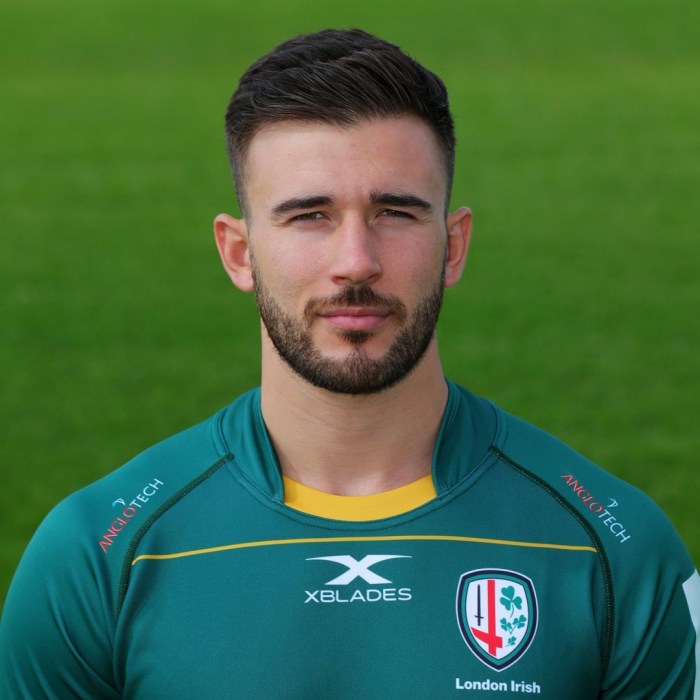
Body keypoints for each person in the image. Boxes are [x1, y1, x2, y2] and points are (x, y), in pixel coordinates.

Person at [1, 28, 698, 699]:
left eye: (395, 212)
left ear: (454, 246)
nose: (356, 262)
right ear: (239, 253)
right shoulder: (100, 555)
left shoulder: (615, 550)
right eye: (310, 216)